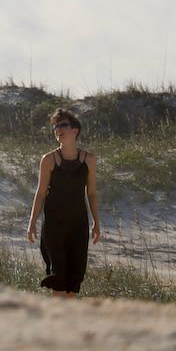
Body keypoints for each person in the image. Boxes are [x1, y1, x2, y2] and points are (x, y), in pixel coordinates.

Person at [27, 108, 101, 297]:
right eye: (55, 126)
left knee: (73, 283)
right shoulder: (48, 160)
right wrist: (32, 222)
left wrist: (96, 223)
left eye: (63, 125)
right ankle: (57, 324)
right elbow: (41, 192)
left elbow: (91, 193)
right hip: (54, 226)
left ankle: (68, 324)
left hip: (78, 225)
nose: (58, 129)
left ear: (75, 130)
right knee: (58, 280)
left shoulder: (89, 160)